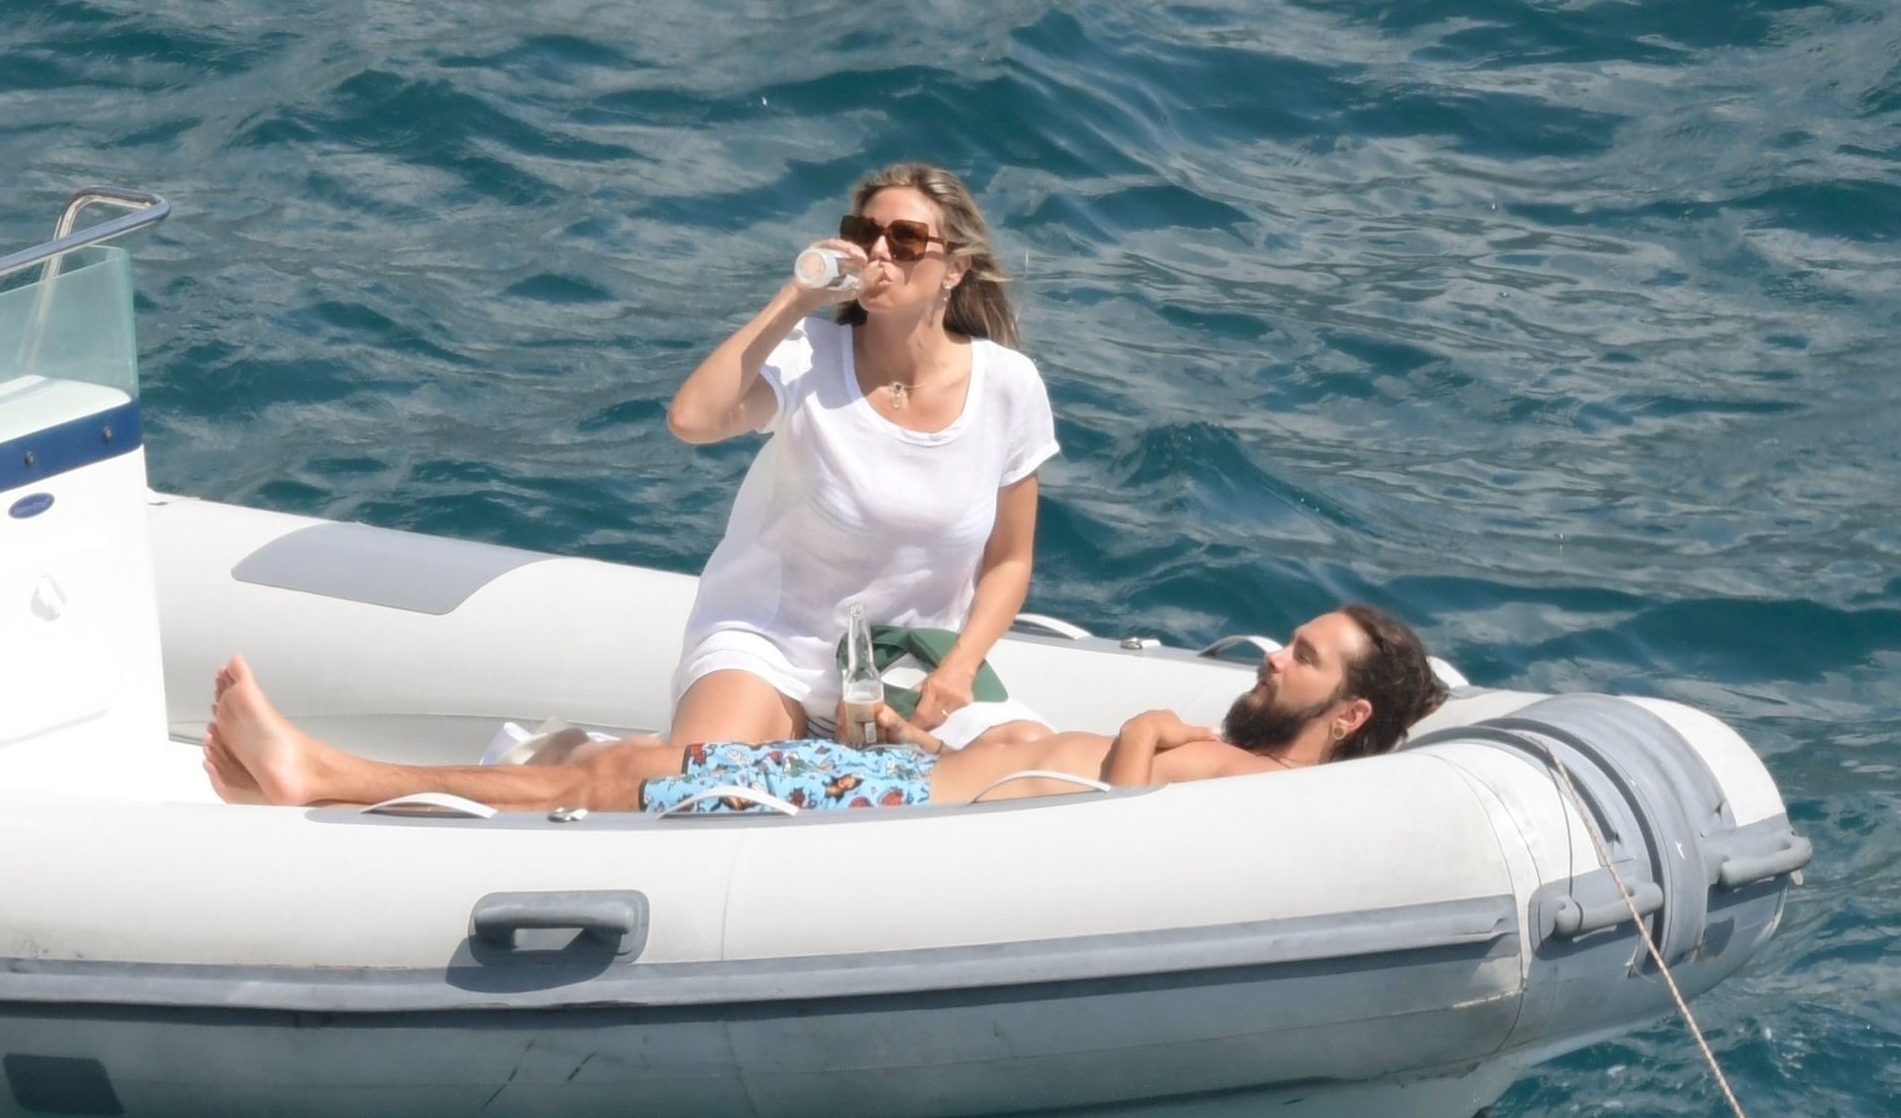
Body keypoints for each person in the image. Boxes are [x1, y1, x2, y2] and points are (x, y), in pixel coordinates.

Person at [203, 605, 1447, 813]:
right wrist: (925, 737)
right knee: (622, 759)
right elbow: (1034, 769)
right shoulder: (1230, 756)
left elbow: (1112, 820)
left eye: (1302, 658)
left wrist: (1143, 730)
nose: (1272, 658)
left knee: (624, 773)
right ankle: (368, 781)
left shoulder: (1265, 784)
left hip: (885, 814)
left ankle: (327, 774)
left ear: (1346, 715)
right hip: (898, 780)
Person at [664, 161, 1058, 750]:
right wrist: (797, 298)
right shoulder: (808, 356)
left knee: (1031, 759)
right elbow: (692, 420)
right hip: (770, 652)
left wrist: (960, 666)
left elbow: (1009, 559)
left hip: (908, 666)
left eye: (905, 239)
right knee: (714, 776)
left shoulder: (1009, 385)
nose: (878, 251)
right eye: (864, 232)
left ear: (955, 268)